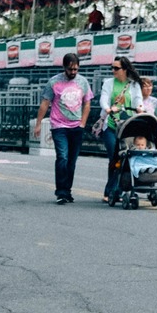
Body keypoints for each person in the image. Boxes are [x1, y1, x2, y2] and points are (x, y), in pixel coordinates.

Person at [31, 52, 93, 204]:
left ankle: (67, 190)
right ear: (64, 67)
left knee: (72, 161)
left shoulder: (83, 82)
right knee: (62, 157)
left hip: (76, 125)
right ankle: (61, 191)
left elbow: (87, 104)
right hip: (59, 125)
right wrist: (38, 123)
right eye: (70, 69)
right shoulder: (54, 82)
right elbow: (45, 103)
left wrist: (83, 123)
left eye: (76, 69)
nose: (73, 72)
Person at [98, 56, 143, 203]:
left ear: (124, 70)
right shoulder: (109, 83)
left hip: (127, 125)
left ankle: (121, 188)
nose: (113, 70)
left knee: (127, 157)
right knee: (115, 157)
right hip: (111, 125)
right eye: (112, 67)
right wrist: (108, 108)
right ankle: (110, 190)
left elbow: (138, 100)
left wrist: (140, 108)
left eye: (116, 68)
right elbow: (103, 98)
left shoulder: (133, 84)